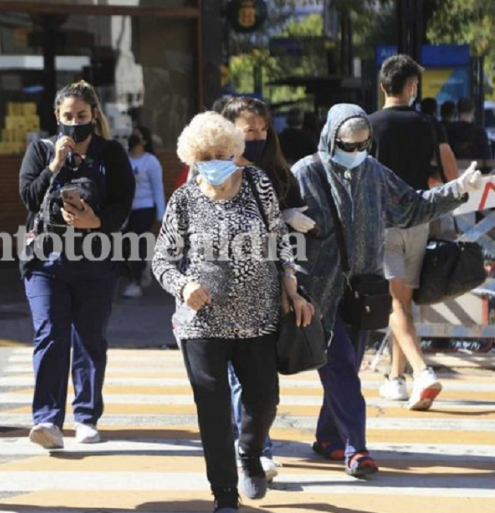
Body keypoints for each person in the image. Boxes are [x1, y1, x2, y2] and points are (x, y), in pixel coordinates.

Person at [292, 103, 481, 477]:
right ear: (331, 137)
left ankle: (328, 438)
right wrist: (286, 221)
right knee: (342, 366)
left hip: (364, 289)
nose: (356, 152)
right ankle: (356, 450)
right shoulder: (305, 173)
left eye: (363, 144)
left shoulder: (373, 173)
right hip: (319, 291)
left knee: (346, 369)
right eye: (349, 144)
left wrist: (457, 189)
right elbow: (274, 224)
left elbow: (411, 208)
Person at [153, 111, 314, 510]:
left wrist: (291, 290)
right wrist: (184, 285)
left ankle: (250, 451)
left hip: (257, 318)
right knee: (212, 408)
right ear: (192, 158)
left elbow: (280, 244)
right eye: (204, 155)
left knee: (264, 402)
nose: (213, 161)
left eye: (221, 152)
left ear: (235, 151)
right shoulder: (185, 199)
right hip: (201, 324)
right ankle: (224, 493)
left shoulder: (258, 185)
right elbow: (162, 260)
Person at [18, 80, 135, 449]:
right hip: (45, 262)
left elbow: (123, 203)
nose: (74, 122)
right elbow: (28, 197)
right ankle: (47, 420)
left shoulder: (111, 153)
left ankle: (86, 416)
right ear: (56, 116)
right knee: (51, 335)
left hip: (96, 262)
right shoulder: (40, 150)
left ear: (93, 115)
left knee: (89, 339)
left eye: (81, 116)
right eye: (67, 116)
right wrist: (53, 166)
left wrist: (95, 222)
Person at [219, 96, 315, 482]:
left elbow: (295, 238)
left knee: (260, 379)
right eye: (248, 131)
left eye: (262, 130)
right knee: (238, 376)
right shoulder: (210, 172)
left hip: (269, 289)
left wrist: (290, 219)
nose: (257, 137)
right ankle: (256, 452)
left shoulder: (278, 174)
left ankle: (251, 445)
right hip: (220, 292)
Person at [369, 54, 460, 411]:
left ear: (382, 87)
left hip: (383, 223)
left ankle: (422, 371)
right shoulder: (429, 124)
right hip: (419, 220)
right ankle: (395, 380)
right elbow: (450, 171)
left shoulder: (369, 125)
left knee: (393, 303)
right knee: (403, 303)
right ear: (412, 88)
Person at [122, 125, 165, 298]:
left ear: (145, 141)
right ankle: (143, 266)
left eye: (137, 135)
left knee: (136, 243)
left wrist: (162, 215)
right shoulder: (125, 159)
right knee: (125, 244)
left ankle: (136, 282)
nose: (133, 137)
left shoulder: (150, 162)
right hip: (127, 210)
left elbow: (158, 188)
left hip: (145, 208)